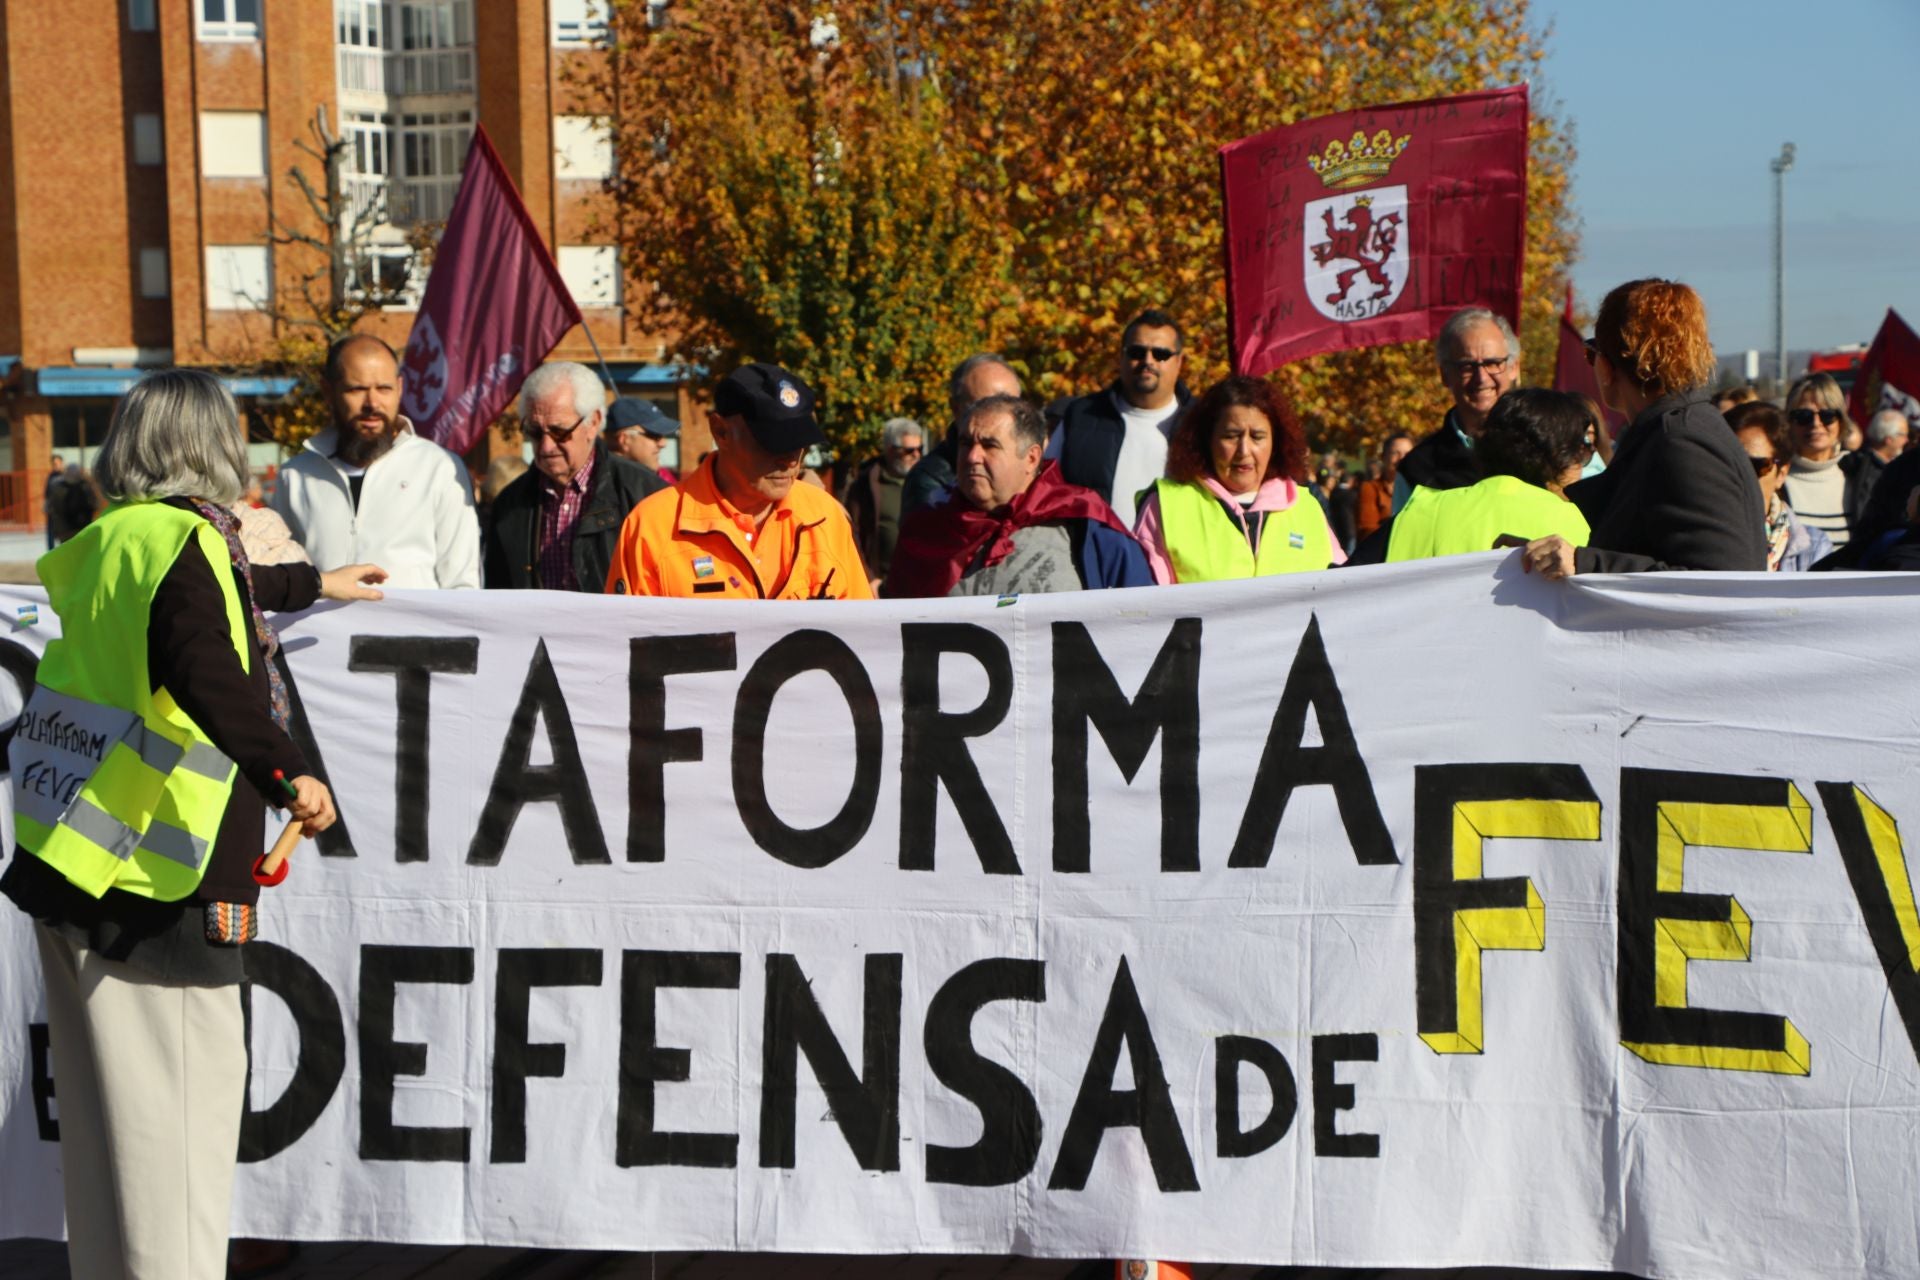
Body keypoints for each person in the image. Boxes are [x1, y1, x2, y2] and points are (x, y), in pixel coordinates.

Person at [0, 369, 385, 1280]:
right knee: (176, 1156)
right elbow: (203, 659)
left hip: (74, 868)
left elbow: (222, 593)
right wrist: (288, 771)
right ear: (208, 445)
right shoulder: (188, 545)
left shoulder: (109, 540)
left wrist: (313, 581)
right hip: (161, 889)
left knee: (106, 1157)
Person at [1522, 279, 1765, 578]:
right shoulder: (1676, 430)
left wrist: (1585, 564)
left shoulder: (1682, 441)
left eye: (1591, 353)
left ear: (1608, 366)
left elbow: (1721, 578)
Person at [605, 362, 871, 599]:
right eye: (773, 444)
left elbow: (861, 633)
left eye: (800, 446)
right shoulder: (652, 527)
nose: (790, 460)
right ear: (720, 431)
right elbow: (626, 644)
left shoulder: (826, 517)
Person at [887, 394, 1152, 597]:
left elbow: (1140, 619)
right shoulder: (927, 531)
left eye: (990, 445)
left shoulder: (1086, 522)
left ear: (1031, 458)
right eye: (966, 443)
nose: (972, 457)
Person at [272, 333, 481, 588]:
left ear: (400, 388)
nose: (372, 403)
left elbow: (463, 584)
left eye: (384, 389)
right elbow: (281, 580)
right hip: (318, 629)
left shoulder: (440, 469)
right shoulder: (295, 476)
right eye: (357, 389)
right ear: (329, 391)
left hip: (413, 628)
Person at [1131, 375, 1343, 583]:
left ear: (1276, 442)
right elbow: (1142, 600)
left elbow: (1344, 591)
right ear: (1207, 440)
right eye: (1231, 435)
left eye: (1257, 436)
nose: (1244, 450)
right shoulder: (1166, 505)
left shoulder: (1307, 508)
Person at [1356, 388, 1593, 564]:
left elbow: (1341, 587)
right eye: (1582, 452)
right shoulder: (1584, 527)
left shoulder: (1424, 509)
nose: (1582, 467)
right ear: (1561, 459)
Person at [486, 362, 667, 592]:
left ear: (593, 423)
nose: (546, 445)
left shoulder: (645, 494)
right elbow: (499, 597)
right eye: (534, 432)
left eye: (560, 431)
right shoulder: (509, 505)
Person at [1048, 308, 1193, 526]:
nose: (1148, 361)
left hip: (1175, 558)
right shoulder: (1081, 418)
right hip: (1094, 557)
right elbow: (1046, 489)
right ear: (1121, 356)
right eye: (1137, 352)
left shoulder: (1202, 424)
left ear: (1179, 361)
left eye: (1161, 354)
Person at [1393, 308, 1521, 511]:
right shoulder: (1417, 470)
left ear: (1514, 367)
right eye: (1467, 366)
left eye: (1493, 363)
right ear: (1444, 374)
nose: (1482, 378)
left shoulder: (1546, 450)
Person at [901, 353, 1024, 516]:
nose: (1004, 416)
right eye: (987, 407)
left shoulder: (1035, 463)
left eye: (1013, 405)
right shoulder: (932, 479)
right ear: (956, 408)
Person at [1728, 401, 1831, 572]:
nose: (1742, 476)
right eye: (1731, 464)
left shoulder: (1814, 548)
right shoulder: (1697, 538)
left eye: (1757, 465)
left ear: (1781, 473)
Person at [1781, 372, 1869, 548]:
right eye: (1803, 416)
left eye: (1827, 415)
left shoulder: (1862, 477)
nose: (1816, 424)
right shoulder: (1774, 479)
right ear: (1789, 422)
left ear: (1841, 422)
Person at [840, 416, 923, 588]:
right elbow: (849, 535)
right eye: (909, 450)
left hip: (921, 584)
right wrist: (868, 579)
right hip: (880, 586)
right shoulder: (865, 485)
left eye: (919, 449)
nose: (917, 455)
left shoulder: (927, 482)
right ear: (891, 450)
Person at [605, 395, 681, 484]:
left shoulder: (661, 478)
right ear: (624, 440)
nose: (663, 443)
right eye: (654, 435)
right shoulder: (602, 487)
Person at [1356, 432, 1411, 539]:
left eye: (1407, 454)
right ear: (1383, 457)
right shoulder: (1370, 488)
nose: (1402, 458)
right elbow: (1367, 529)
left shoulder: (1421, 488)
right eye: (1395, 453)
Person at [53, 462, 98, 541]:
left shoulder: (59, 487)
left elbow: (55, 510)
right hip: (82, 528)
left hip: (66, 530)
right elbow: (94, 504)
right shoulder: (85, 486)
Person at [43, 452, 64, 549]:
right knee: (50, 533)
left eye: (56, 463)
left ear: (61, 463)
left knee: (64, 533)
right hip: (53, 510)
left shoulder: (66, 476)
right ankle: (50, 552)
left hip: (63, 510)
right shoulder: (50, 476)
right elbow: (47, 493)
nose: (55, 466)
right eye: (53, 464)